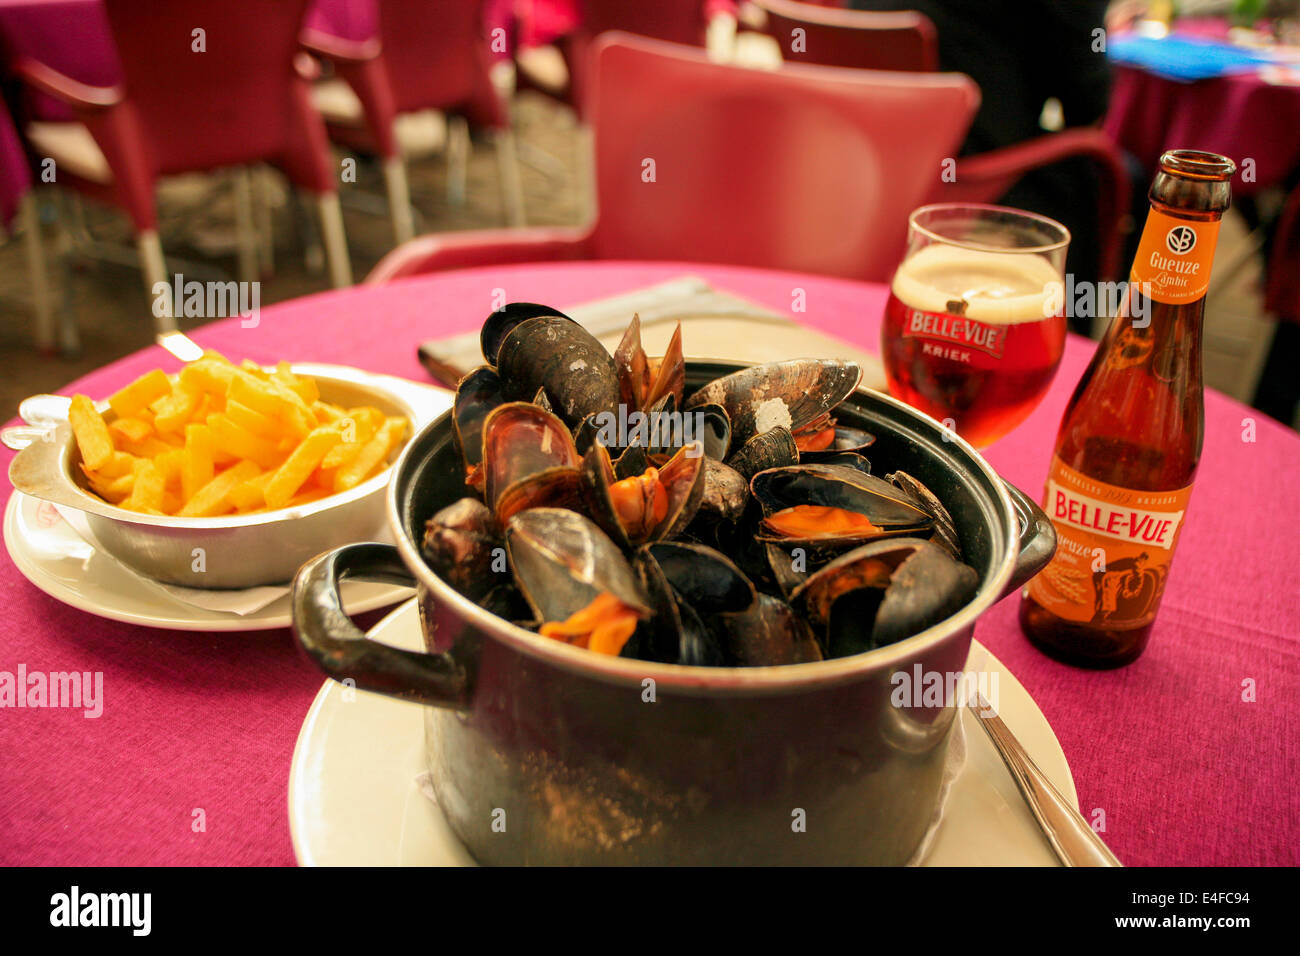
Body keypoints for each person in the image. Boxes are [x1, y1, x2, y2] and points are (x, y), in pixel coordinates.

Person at [850, 0, 1113, 331]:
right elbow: (1086, 100)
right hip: (970, 175)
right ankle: (1098, 352)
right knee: (1106, 175)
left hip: (858, 158)